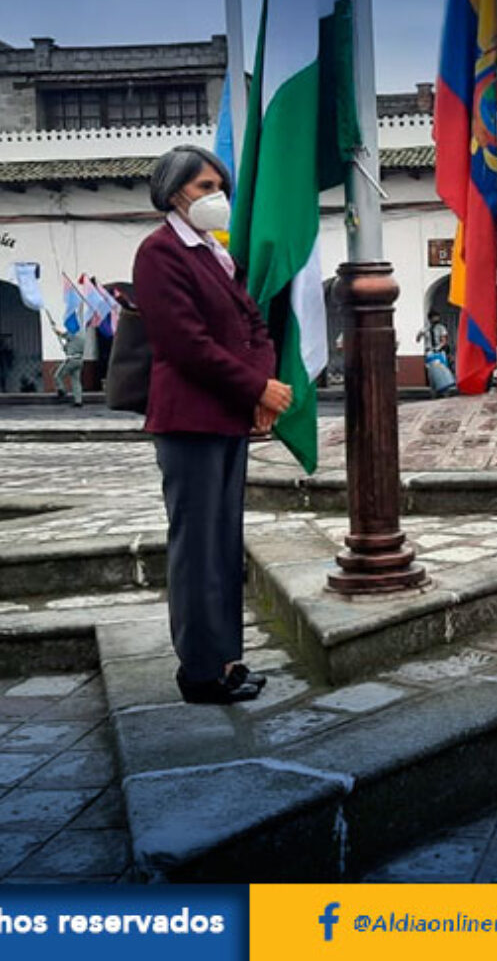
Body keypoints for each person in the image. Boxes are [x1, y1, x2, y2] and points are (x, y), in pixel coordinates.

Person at [134, 145, 291, 705]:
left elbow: (254, 324)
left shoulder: (212, 253)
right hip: (190, 421)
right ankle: (199, 671)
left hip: (227, 416)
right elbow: (185, 343)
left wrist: (263, 388)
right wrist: (255, 387)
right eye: (205, 187)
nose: (217, 197)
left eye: (219, 185)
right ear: (174, 192)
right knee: (197, 546)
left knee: (223, 545)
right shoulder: (161, 253)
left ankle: (227, 657)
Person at [51, 319, 89, 406]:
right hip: (79, 360)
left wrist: (54, 327)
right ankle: (78, 401)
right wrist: (66, 347)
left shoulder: (72, 334)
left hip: (71, 360)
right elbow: (69, 346)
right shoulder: (82, 335)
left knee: (58, 375)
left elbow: (61, 334)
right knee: (76, 381)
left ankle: (61, 390)